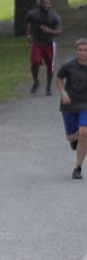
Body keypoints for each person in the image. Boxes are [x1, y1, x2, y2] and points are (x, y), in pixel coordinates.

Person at [54, 37, 87, 179]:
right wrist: (63, 93)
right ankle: (74, 141)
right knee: (71, 137)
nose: (83, 52)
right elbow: (59, 78)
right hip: (69, 105)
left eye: (85, 50)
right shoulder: (68, 66)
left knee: (84, 132)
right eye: (80, 50)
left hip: (85, 104)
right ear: (75, 52)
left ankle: (77, 167)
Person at [24, 0, 62, 95]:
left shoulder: (54, 16)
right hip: (36, 42)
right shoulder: (33, 13)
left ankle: (48, 86)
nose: (46, 5)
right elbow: (28, 22)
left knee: (50, 67)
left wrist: (49, 30)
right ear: (40, 4)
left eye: (47, 4)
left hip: (48, 43)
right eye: (44, 3)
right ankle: (36, 81)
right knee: (35, 62)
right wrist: (28, 34)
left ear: (51, 4)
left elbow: (59, 31)